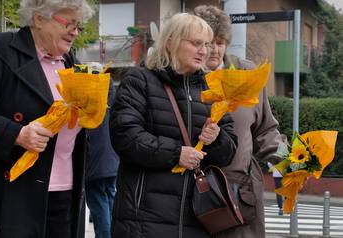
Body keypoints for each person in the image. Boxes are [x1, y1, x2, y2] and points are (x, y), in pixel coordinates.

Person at [109, 13, 237, 238]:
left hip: (197, 218)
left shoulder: (212, 90)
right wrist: (176, 153)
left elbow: (228, 152)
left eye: (206, 45)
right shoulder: (139, 81)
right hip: (144, 218)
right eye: (196, 43)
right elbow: (125, 136)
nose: (204, 51)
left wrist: (216, 138)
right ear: (171, 42)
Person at [0, 0, 94, 237]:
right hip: (14, 195)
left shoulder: (70, 63)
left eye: (79, 26)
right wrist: (17, 134)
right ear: (39, 19)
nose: (75, 32)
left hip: (66, 190)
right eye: (70, 23)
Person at [194, 5, 283, 238]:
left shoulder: (246, 73)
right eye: (208, 42)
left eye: (220, 42)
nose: (214, 49)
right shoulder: (185, 76)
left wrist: (288, 160)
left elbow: (265, 129)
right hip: (197, 190)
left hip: (241, 190)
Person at [85, 76, 119, 238]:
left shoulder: (89, 107)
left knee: (98, 203)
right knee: (110, 197)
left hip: (94, 162)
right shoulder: (112, 103)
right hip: (112, 161)